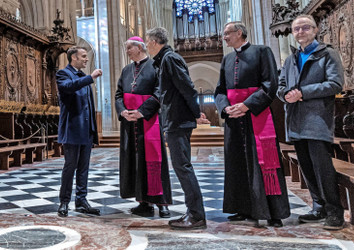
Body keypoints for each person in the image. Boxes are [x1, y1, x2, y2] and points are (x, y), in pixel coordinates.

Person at [214, 21, 290, 227]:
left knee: (265, 163)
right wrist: (225, 108)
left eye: (227, 33)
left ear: (240, 33)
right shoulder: (227, 59)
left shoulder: (262, 51)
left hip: (256, 115)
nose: (224, 37)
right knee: (237, 163)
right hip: (233, 118)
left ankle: (273, 212)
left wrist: (247, 105)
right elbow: (220, 90)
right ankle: (242, 208)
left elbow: (270, 85)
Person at [277, 14, 345, 230]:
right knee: (306, 166)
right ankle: (319, 207)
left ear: (315, 30)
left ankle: (335, 211)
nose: (300, 32)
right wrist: (285, 95)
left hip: (317, 120)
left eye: (305, 28)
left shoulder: (327, 54)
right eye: (296, 29)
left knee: (322, 167)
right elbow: (281, 85)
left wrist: (302, 93)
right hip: (295, 120)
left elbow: (335, 84)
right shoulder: (290, 59)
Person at [145, 27, 207, 230]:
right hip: (174, 120)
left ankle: (197, 216)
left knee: (183, 167)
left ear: (154, 42)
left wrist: (197, 113)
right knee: (182, 168)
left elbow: (187, 87)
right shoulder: (164, 60)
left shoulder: (170, 58)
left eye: (147, 42)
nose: (146, 46)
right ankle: (192, 212)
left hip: (178, 121)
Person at [115, 36, 171, 218]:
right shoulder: (126, 70)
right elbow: (118, 94)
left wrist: (141, 111)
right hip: (129, 124)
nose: (127, 51)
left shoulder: (156, 66)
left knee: (154, 162)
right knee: (135, 163)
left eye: (129, 48)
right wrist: (123, 111)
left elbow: (159, 92)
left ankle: (161, 203)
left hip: (148, 121)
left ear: (139, 48)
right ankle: (143, 203)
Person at [56, 46, 103, 217]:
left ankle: (81, 201)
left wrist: (93, 129)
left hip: (86, 130)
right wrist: (90, 77)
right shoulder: (63, 74)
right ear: (73, 58)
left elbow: (89, 105)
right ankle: (64, 201)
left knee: (84, 168)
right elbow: (68, 87)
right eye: (83, 56)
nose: (86, 59)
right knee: (70, 166)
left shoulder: (83, 77)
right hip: (72, 129)